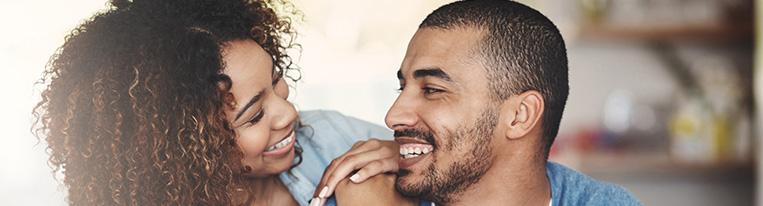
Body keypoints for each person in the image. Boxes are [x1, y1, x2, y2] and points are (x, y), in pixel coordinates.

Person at [32, 0, 395, 205]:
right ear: (185, 146)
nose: (289, 113)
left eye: (274, 82)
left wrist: (414, 162)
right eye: (254, 116)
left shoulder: (331, 139)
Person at [313, 0, 641, 205]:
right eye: (402, 88)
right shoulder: (362, 192)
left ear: (519, 116)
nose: (393, 115)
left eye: (432, 90)